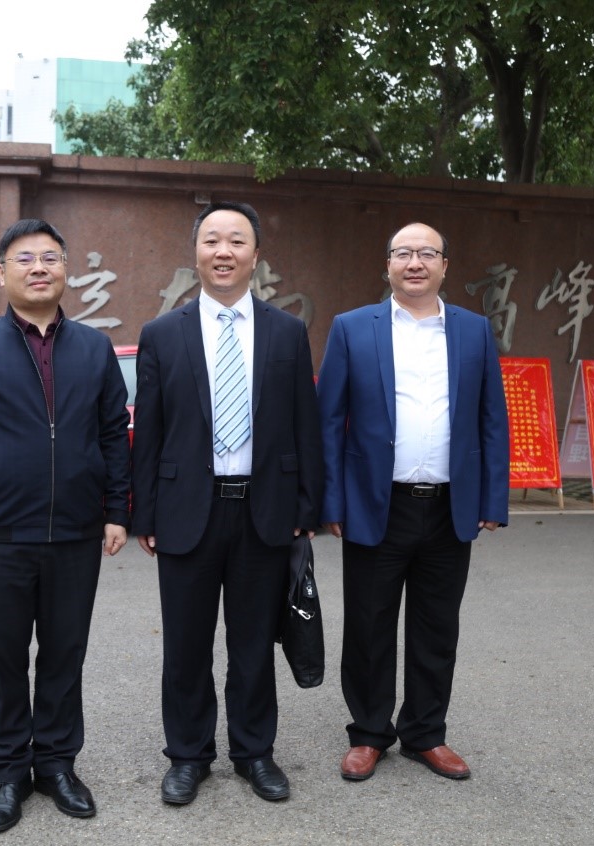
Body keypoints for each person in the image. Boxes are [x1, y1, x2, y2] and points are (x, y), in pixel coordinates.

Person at [0, 219, 131, 833]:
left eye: (49, 257)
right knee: (4, 656)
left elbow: (112, 434)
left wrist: (116, 510)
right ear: (2, 274)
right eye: (24, 259)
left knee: (66, 653)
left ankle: (58, 765)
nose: (38, 267)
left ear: (65, 270)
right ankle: (9, 771)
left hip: (75, 532)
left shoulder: (93, 348)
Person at [131, 201, 323, 806]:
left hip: (264, 511)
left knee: (253, 644)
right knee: (185, 647)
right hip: (187, 510)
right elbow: (149, 431)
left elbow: (305, 424)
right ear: (196, 253)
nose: (223, 251)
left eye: (236, 241)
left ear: (255, 255)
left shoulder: (286, 332)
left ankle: (254, 753)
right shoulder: (163, 334)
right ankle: (188, 756)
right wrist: (145, 513)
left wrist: (307, 508)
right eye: (212, 239)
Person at [318, 221, 509, 783]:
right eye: (403, 253)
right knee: (368, 625)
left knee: (437, 627)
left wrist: (493, 497)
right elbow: (328, 421)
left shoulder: (473, 330)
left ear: (445, 265)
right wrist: (330, 501)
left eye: (428, 253)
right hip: (375, 503)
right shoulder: (353, 328)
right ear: (388, 265)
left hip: (450, 505)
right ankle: (369, 733)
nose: (415, 263)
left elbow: (491, 419)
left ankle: (426, 732)